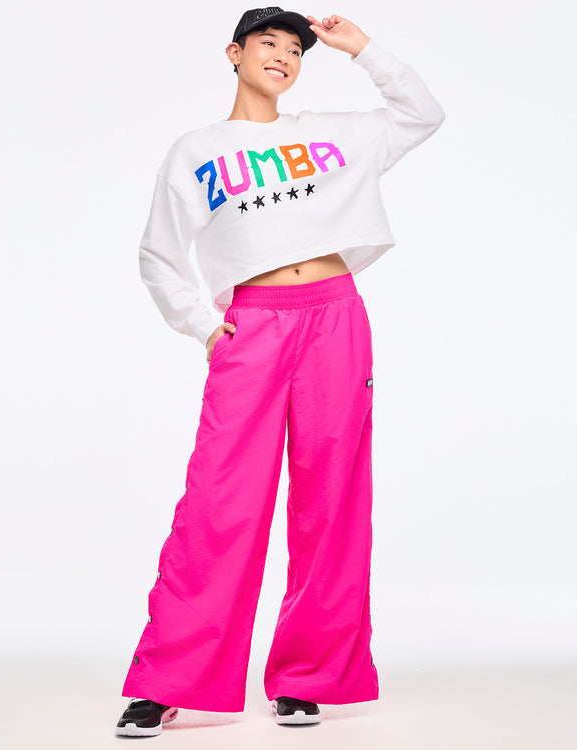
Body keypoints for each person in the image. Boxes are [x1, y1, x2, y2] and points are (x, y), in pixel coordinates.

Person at [115, 6, 445, 736]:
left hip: (335, 319)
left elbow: (423, 114)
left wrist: (361, 49)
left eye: (295, 50)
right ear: (234, 53)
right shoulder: (197, 149)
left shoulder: (332, 133)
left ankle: (305, 677)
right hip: (252, 327)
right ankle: (171, 679)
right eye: (269, 43)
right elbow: (158, 253)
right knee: (220, 501)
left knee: (332, 498)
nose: (284, 57)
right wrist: (205, 326)